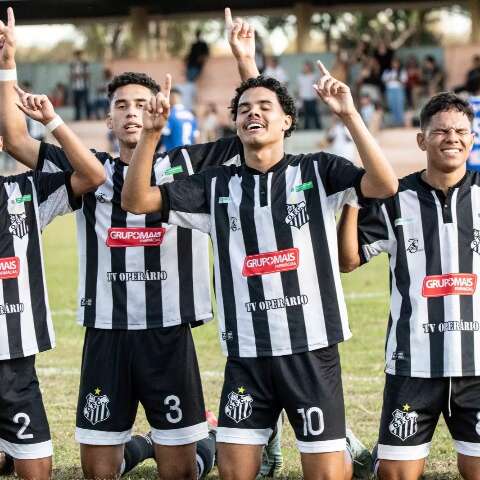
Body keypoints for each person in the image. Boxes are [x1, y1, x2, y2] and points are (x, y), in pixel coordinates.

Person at [1, 7, 275, 480]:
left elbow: (257, 133)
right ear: (108, 118)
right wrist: (7, 65)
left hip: (169, 332)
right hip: (106, 333)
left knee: (182, 472)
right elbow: (13, 138)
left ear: (161, 112)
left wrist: (245, 61)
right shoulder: (89, 171)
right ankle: (142, 445)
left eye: (142, 104)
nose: (133, 113)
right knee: (98, 471)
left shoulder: (188, 166)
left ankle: (204, 443)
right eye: (122, 105)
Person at [121, 13, 398, 480]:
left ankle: (347, 449)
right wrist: (150, 134)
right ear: (233, 125)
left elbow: (385, 185)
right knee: (235, 473)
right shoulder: (214, 185)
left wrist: (349, 114)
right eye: (244, 108)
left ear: (288, 120)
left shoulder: (318, 170)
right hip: (246, 355)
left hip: (310, 348)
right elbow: (137, 201)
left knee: (328, 474)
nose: (254, 113)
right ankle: (229, 438)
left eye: (266, 106)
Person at [337, 92, 480, 480]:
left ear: (471, 138)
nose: (452, 138)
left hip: (477, 365)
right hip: (413, 362)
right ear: (422, 140)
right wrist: (354, 198)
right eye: (441, 131)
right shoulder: (393, 198)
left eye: (461, 131)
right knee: (396, 476)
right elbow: (348, 261)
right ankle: (374, 457)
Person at [0, 8, 106, 479]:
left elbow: (93, 176)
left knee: (37, 471)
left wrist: (8, 67)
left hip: (15, 365)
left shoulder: (24, 193)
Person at [382, 58, 407, 127]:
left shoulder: (402, 71)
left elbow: (404, 81)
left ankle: (400, 121)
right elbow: (384, 80)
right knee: (391, 105)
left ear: (399, 64)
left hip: (398, 89)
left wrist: (396, 79)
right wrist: (391, 78)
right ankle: (394, 122)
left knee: (399, 105)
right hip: (390, 89)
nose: (394, 64)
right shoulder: (387, 71)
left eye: (396, 63)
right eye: (393, 63)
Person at [297, 61, 321, 130]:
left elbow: (317, 86)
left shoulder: (314, 75)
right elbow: (300, 87)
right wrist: (299, 97)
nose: (306, 68)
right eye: (305, 66)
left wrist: (318, 96)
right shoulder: (300, 76)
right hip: (304, 97)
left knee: (315, 113)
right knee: (306, 114)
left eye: (308, 66)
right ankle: (306, 127)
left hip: (313, 97)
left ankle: (318, 127)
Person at [70, 49, 90, 121]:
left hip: (84, 86)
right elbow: (71, 76)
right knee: (76, 103)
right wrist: (75, 76)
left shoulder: (85, 64)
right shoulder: (73, 65)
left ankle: (88, 116)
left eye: (79, 55)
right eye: (77, 55)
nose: (78, 56)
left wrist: (79, 75)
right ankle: (77, 117)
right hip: (76, 87)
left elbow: (87, 75)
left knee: (86, 102)